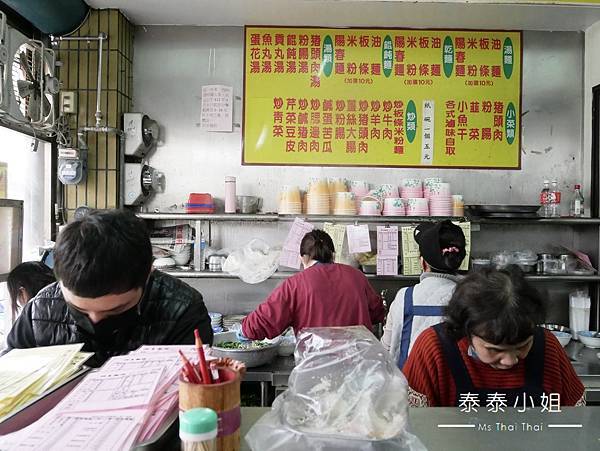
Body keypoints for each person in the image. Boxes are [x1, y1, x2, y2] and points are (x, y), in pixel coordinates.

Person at [3, 209, 213, 366]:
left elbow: (192, 398)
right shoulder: (38, 312)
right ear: (59, 281)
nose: (94, 320)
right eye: (80, 310)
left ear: (147, 273)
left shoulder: (183, 311)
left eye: (116, 310)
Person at [403, 266, 585, 407]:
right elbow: (409, 428)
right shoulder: (433, 349)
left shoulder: (547, 347)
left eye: (522, 346)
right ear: (466, 332)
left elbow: (575, 422)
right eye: (495, 350)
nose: (510, 361)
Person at [241, 229, 385, 340]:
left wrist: (244, 330)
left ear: (302, 258)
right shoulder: (357, 276)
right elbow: (377, 312)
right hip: (357, 365)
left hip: (315, 368)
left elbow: (265, 319)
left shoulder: (295, 284)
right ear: (333, 255)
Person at [381, 219, 466, 368]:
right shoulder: (468, 298)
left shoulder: (404, 297)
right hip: (452, 385)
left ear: (423, 263)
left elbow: (386, 350)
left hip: (409, 385)